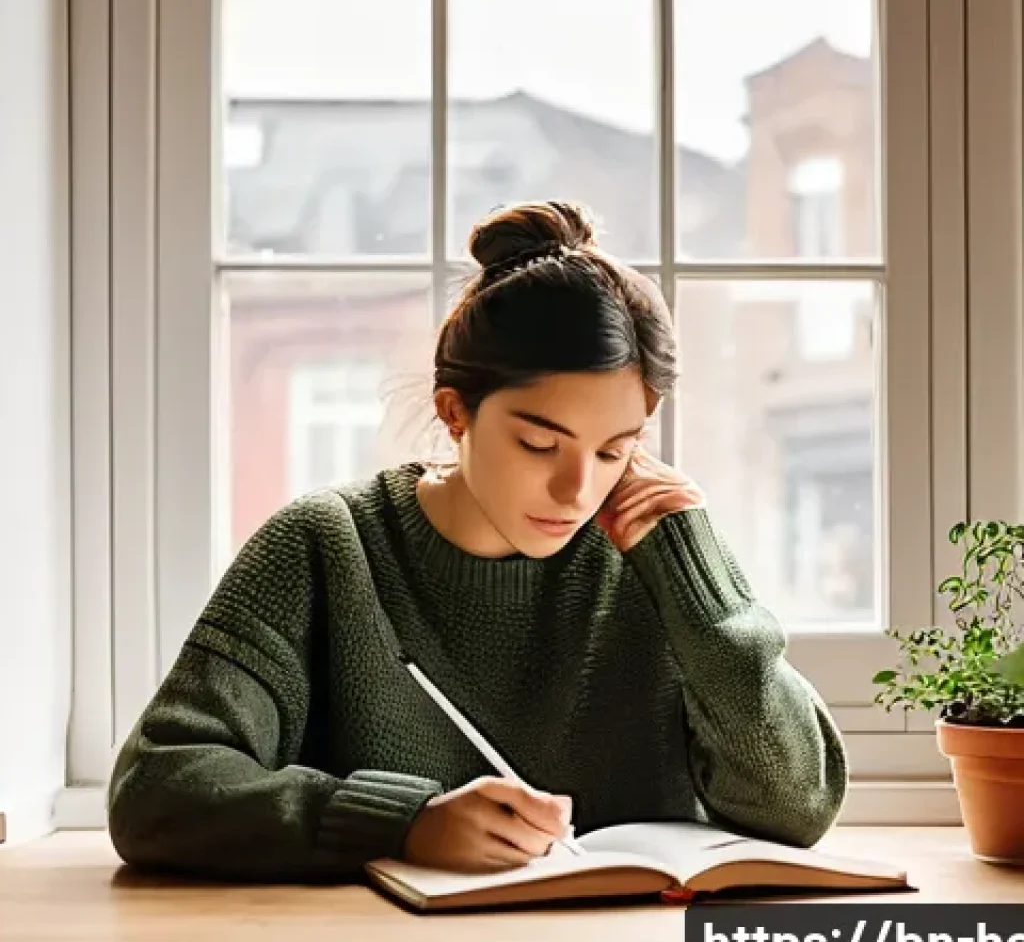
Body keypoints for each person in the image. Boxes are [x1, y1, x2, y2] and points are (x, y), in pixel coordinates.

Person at [107, 199, 848, 883]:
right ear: (455, 412)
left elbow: (796, 806)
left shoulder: (653, 560)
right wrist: (402, 824)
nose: (578, 491)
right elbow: (156, 790)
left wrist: (701, 583)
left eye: (615, 450)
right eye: (537, 443)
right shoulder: (328, 548)